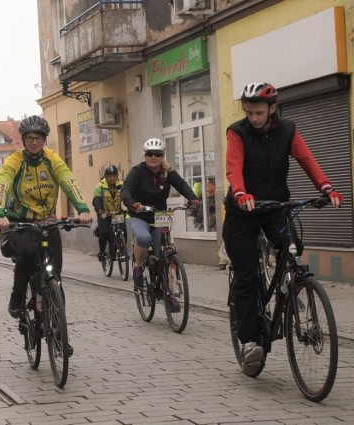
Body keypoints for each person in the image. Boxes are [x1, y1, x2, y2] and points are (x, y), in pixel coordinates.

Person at [223, 82, 343, 376]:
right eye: (249, 112)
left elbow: (307, 160)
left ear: (272, 108)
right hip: (243, 211)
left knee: (293, 246)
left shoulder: (288, 130)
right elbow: (233, 168)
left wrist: (325, 186)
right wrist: (240, 193)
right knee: (247, 273)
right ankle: (250, 340)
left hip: (275, 205)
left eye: (259, 112)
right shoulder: (237, 132)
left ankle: (287, 288)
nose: (253, 118)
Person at [0, 115, 92, 318]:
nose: (34, 142)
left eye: (38, 138)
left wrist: (82, 208)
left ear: (44, 139)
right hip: (20, 223)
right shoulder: (15, 160)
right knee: (28, 253)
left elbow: (67, 179)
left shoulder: (51, 157)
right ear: (23, 140)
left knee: (55, 275)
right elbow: (2, 182)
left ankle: (58, 328)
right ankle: (17, 295)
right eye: (30, 138)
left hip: (47, 222)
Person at [121, 138, 200, 287]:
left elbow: (181, 184)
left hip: (160, 215)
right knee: (144, 238)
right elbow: (126, 189)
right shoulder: (137, 172)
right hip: (138, 215)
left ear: (162, 156)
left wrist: (192, 198)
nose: (153, 157)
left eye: (157, 154)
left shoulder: (167, 172)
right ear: (144, 156)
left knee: (164, 251)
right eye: (150, 154)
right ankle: (138, 267)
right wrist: (132, 203)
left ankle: (169, 293)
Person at [92, 165, 125, 261]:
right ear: (106, 177)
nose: (112, 178)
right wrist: (101, 211)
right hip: (104, 214)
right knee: (104, 233)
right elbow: (97, 200)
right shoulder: (100, 186)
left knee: (123, 230)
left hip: (117, 213)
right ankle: (102, 252)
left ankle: (122, 251)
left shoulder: (122, 185)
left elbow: (127, 196)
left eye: (114, 175)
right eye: (110, 176)